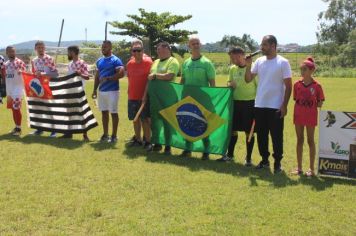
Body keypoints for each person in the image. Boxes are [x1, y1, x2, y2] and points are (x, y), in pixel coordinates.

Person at [245, 35, 292, 173]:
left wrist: (284, 105)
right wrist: (248, 66)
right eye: (261, 44)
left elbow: (289, 86)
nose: (261, 47)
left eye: (264, 44)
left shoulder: (283, 62)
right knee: (262, 136)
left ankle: (277, 163)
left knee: (277, 136)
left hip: (276, 106)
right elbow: (248, 79)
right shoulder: (259, 61)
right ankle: (264, 160)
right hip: (259, 105)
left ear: (273, 45)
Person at [216, 47, 256, 166]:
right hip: (235, 103)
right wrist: (230, 84)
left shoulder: (253, 68)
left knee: (249, 132)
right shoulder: (232, 69)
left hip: (249, 104)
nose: (231, 60)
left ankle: (248, 159)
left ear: (240, 56)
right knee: (232, 130)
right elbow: (228, 82)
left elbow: (259, 86)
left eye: (232, 58)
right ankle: (230, 155)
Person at [180, 36, 216, 160]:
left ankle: (206, 150)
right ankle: (188, 149)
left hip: (203, 99)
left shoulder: (207, 63)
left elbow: (212, 83)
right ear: (189, 46)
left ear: (200, 45)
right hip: (188, 99)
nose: (195, 45)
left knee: (203, 124)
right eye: (193, 43)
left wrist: (212, 98)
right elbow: (182, 80)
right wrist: (181, 94)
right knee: (187, 122)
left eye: (197, 43)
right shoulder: (185, 63)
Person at [291, 57, 324, 177]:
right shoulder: (297, 85)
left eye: (304, 69)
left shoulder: (317, 86)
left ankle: (311, 169)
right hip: (298, 115)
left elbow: (320, 102)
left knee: (310, 141)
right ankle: (299, 168)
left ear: (311, 70)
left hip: (310, 116)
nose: (302, 71)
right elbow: (296, 99)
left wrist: (315, 103)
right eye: (301, 69)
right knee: (299, 140)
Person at [147, 41, 180, 154]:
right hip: (155, 97)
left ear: (167, 49)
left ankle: (168, 146)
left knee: (167, 121)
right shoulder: (155, 62)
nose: (158, 52)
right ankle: (157, 143)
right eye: (157, 50)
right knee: (155, 120)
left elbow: (170, 76)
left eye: (159, 50)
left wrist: (156, 76)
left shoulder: (173, 61)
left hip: (168, 97)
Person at [92, 40, 124, 143]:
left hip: (113, 91)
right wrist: (94, 90)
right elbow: (97, 76)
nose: (103, 49)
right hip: (102, 91)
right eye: (102, 47)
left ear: (110, 48)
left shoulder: (116, 60)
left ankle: (114, 136)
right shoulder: (99, 61)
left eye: (105, 47)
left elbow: (121, 73)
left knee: (113, 113)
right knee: (104, 113)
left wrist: (109, 78)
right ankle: (105, 135)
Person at [59, 45, 91, 141]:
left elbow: (87, 77)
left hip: (78, 91)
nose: (67, 54)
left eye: (68, 52)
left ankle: (85, 135)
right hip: (69, 91)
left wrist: (80, 73)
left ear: (72, 52)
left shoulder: (82, 63)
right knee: (69, 112)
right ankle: (69, 133)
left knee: (81, 112)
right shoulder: (70, 64)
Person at [126, 39, 153, 148]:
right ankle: (138, 140)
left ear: (143, 50)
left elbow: (150, 81)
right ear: (132, 51)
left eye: (139, 50)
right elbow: (130, 79)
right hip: (132, 96)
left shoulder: (149, 62)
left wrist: (145, 95)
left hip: (144, 97)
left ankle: (148, 141)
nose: (137, 52)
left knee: (145, 120)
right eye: (134, 50)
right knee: (135, 120)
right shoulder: (129, 64)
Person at [31, 40, 59, 137]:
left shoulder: (49, 59)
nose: (40, 49)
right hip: (37, 88)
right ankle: (39, 129)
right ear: (35, 49)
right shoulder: (34, 60)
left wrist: (43, 74)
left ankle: (54, 130)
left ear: (45, 48)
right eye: (38, 47)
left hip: (48, 87)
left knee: (49, 109)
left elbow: (55, 74)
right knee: (38, 109)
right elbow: (33, 74)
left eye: (42, 47)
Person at [2, 46, 26, 136]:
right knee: (13, 109)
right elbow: (5, 76)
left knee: (17, 108)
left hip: (18, 89)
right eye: (9, 52)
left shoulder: (19, 62)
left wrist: (22, 72)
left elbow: (26, 72)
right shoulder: (6, 64)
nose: (11, 53)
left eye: (13, 51)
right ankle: (16, 127)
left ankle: (19, 129)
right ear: (6, 53)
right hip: (9, 90)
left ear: (15, 52)